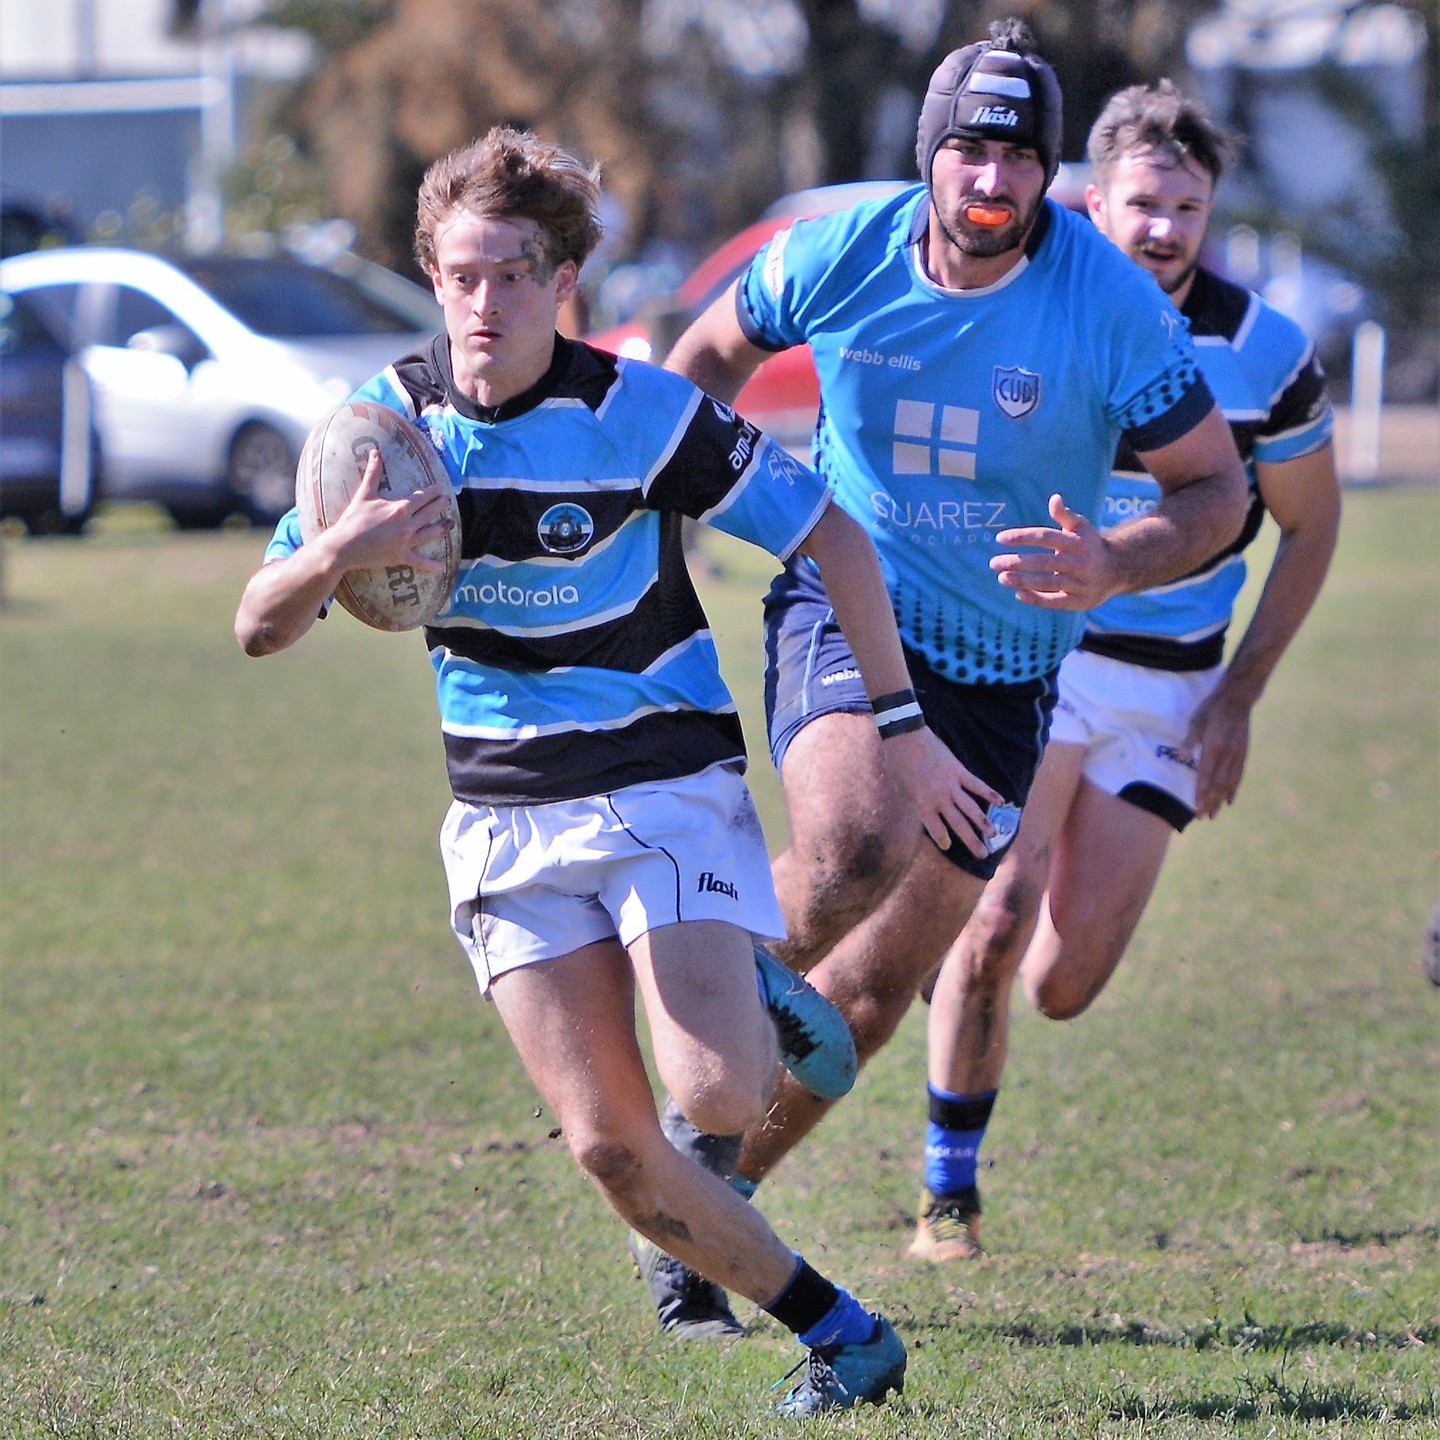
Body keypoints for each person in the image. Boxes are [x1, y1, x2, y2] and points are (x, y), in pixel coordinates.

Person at [234, 126, 995, 1416]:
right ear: (432, 273)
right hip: (502, 816)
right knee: (614, 1152)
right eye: (465, 273)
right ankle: (849, 1338)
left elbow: (834, 538)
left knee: (713, 1090)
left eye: (517, 272)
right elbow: (258, 622)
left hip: (661, 788)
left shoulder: (640, 412)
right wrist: (337, 549)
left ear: (563, 280)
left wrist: (901, 725)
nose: (488, 301)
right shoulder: (383, 432)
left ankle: (753, 1002)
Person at [630, 19, 1251, 1333]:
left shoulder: (1111, 308)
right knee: (855, 843)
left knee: (858, 1012)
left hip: (1009, 673)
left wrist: (1116, 560)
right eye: (969, 145)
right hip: (847, 600)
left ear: (1049, 177)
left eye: (1020, 155)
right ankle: (673, 1017)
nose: (993, 176)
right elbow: (706, 362)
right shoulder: (843, 251)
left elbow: (1219, 493)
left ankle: (703, 1221)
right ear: (930, 155)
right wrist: (665, 513)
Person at [918, 79, 1341, 1258]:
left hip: (1172, 686)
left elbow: (1311, 524)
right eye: (1144, 203)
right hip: (1041, 661)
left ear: (1210, 217)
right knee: (996, 919)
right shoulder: (1023, 304)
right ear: (1093, 198)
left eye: (1187, 211)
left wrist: (1241, 696)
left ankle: (945, 961)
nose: (1162, 231)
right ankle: (949, 1191)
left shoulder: (1265, 351)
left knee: (1062, 982)